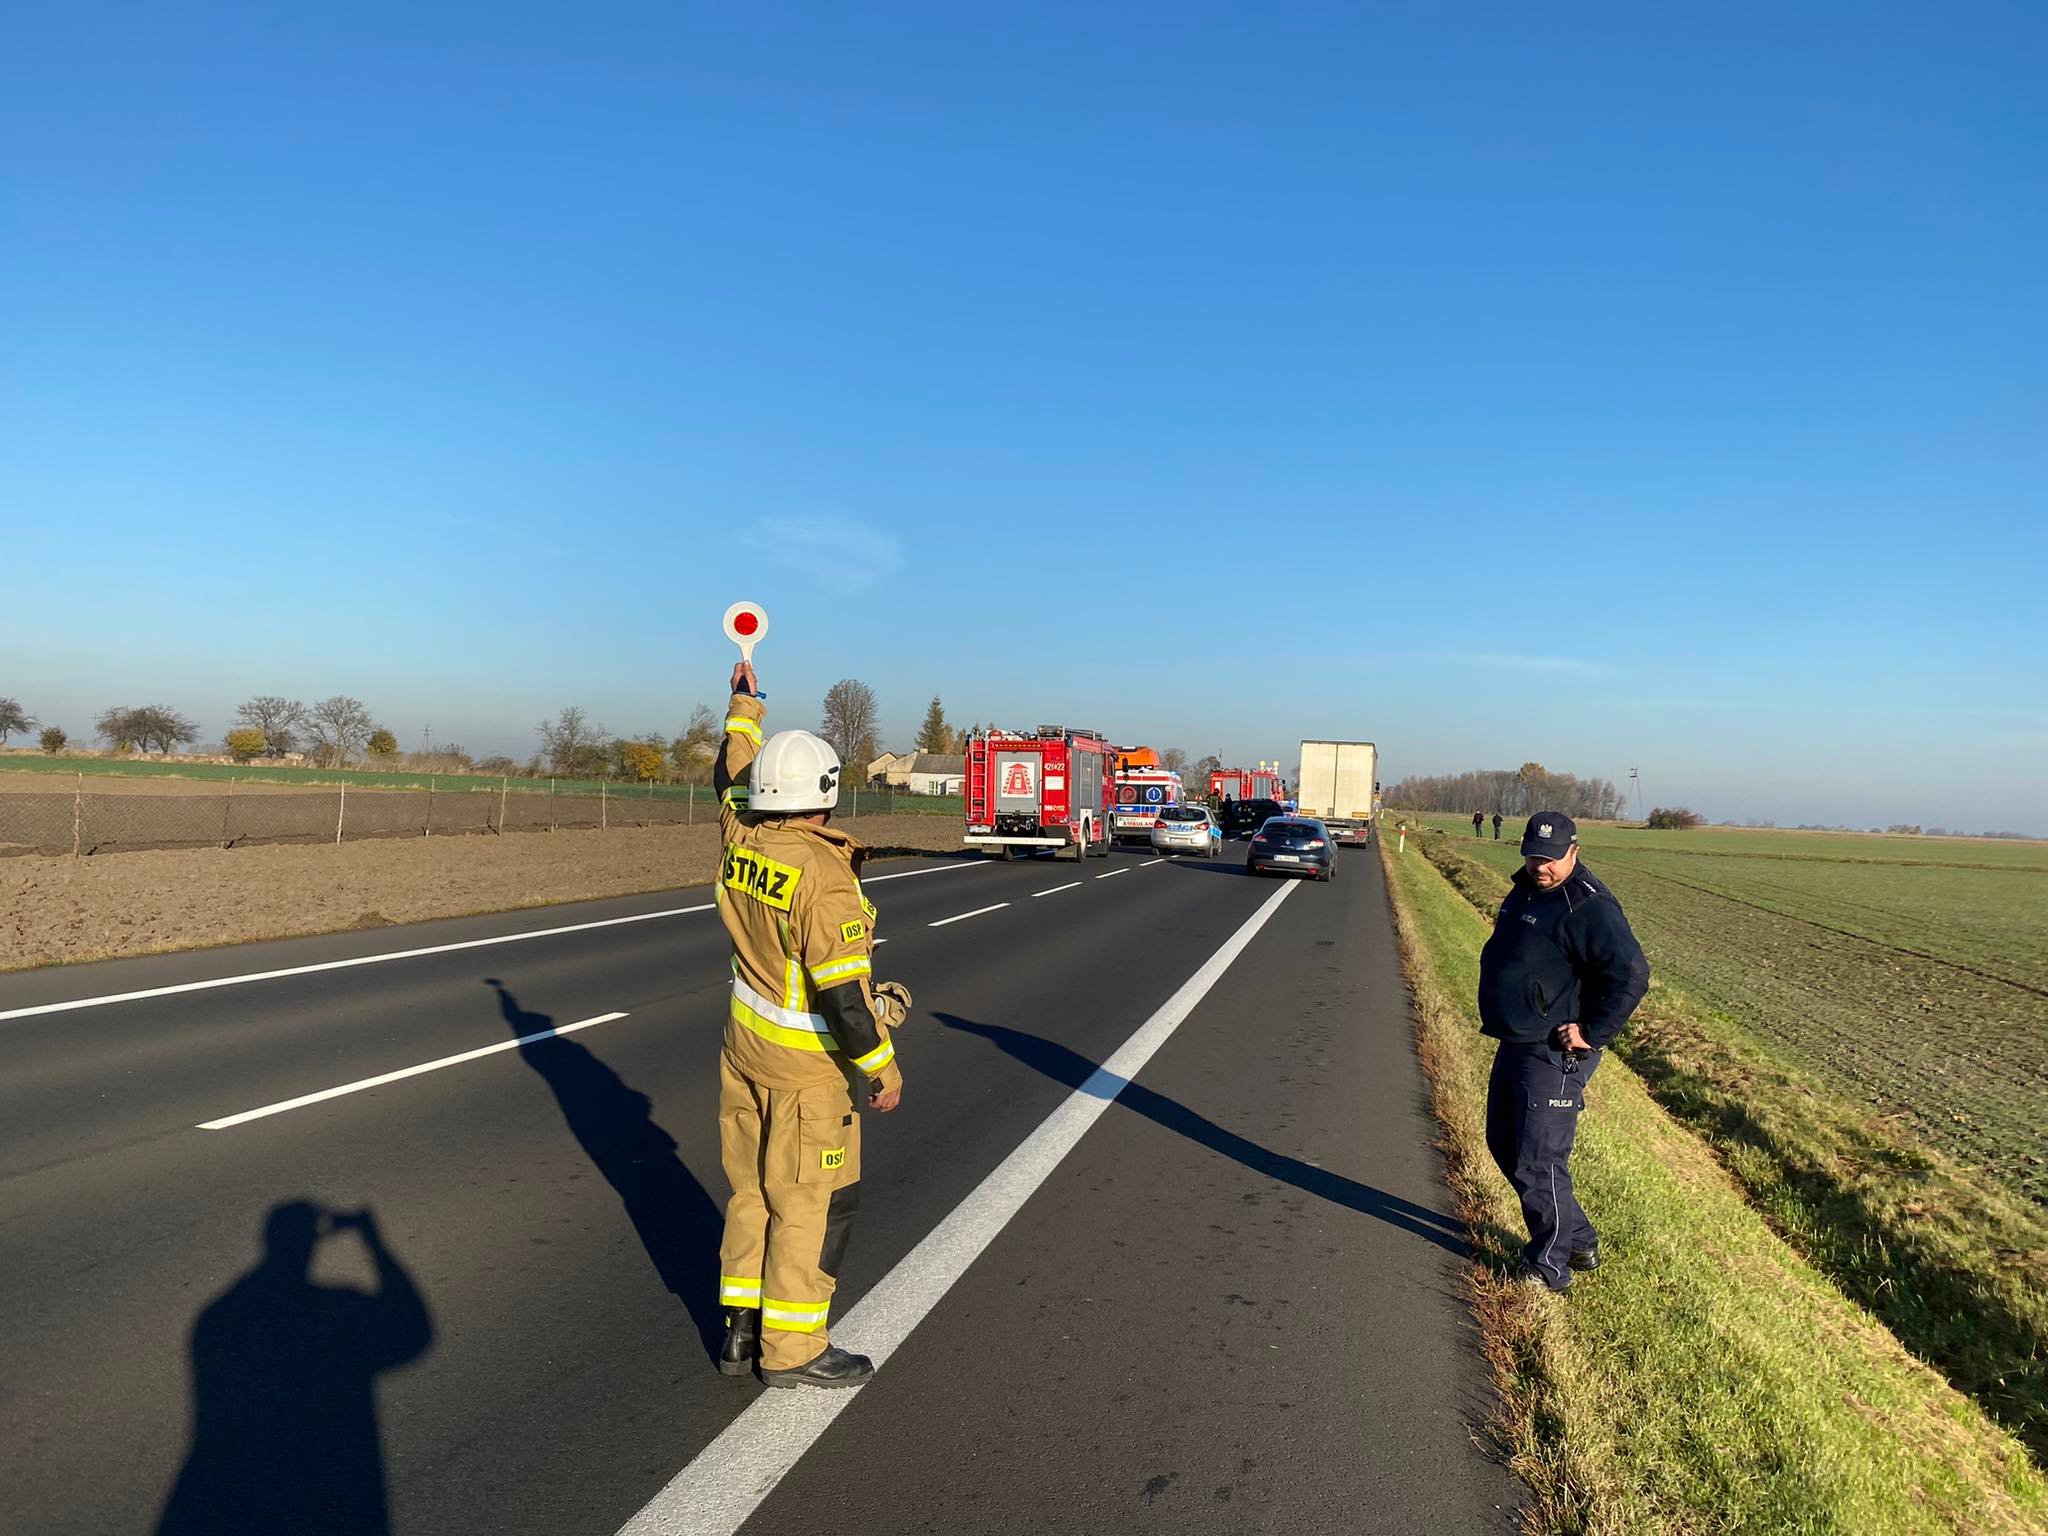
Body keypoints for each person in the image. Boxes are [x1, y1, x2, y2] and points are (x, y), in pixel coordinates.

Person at [710, 659, 911, 1386]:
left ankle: (738, 1331)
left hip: (744, 1053)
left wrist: (743, 707)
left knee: (750, 1194)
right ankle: (792, 1350)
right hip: (806, 1075)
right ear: (823, 798)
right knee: (812, 1206)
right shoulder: (825, 880)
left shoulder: (741, 835)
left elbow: (728, 773)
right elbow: (845, 1001)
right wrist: (882, 1070)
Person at [1477, 814, 1649, 1293]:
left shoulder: (1590, 907)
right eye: (1533, 856)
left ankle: (1548, 1268)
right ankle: (1577, 1238)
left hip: (1555, 1050)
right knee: (1504, 1143)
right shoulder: (1528, 888)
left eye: (1550, 860)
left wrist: (1592, 1032)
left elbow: (1632, 975)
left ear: (1574, 851)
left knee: (1539, 1159)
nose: (1541, 867)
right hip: (1519, 1038)